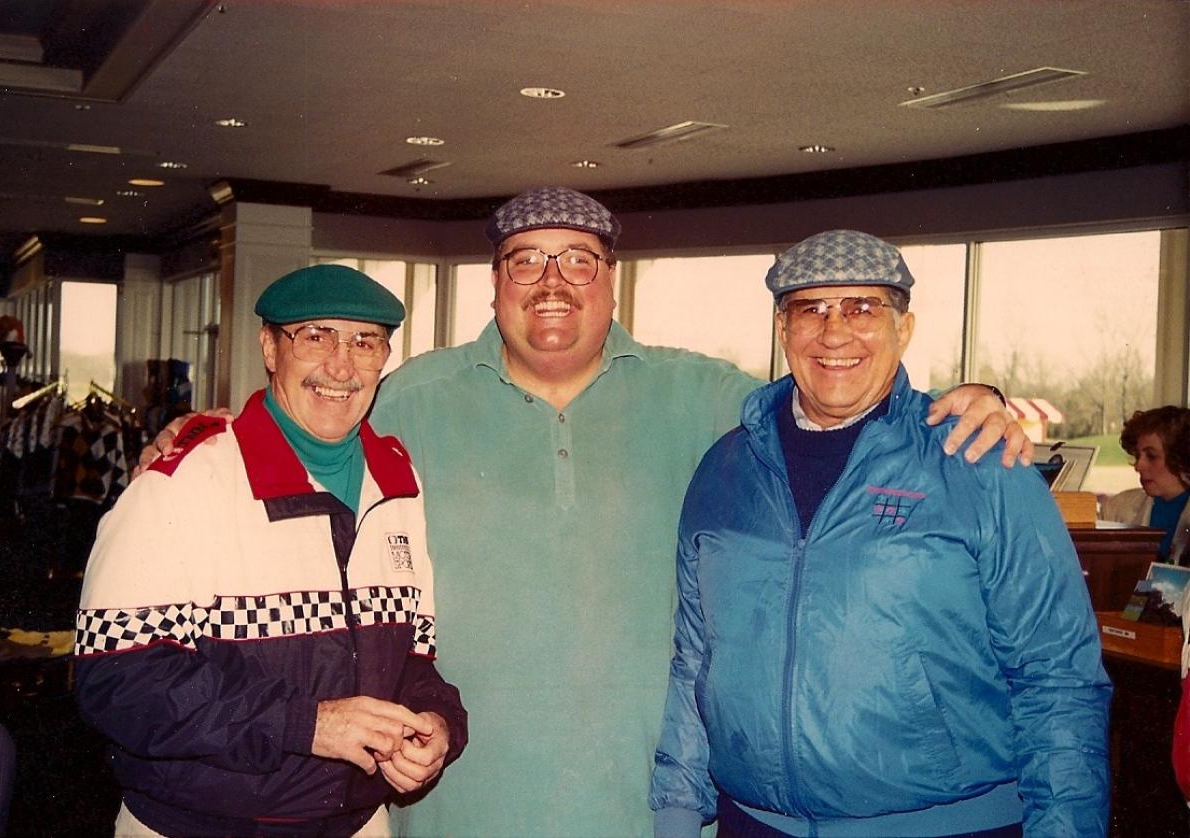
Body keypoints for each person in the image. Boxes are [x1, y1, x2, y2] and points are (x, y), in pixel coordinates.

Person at [145, 188, 1032, 837]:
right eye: (526, 261)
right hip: (453, 800)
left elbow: (837, 398)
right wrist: (206, 429)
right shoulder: (410, 396)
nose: (553, 281)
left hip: (653, 805)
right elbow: (310, 423)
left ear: (612, 281)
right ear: (496, 283)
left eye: (578, 260)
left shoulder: (704, 394)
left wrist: (967, 402)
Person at [649, 230, 1111, 838]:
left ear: (904, 328)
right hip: (754, 825)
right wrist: (678, 813)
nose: (834, 332)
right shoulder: (726, 469)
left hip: (947, 827)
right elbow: (695, 659)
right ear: (783, 330)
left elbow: (1058, 676)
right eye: (810, 309)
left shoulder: (978, 462)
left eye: (862, 308)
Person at [74, 265, 467, 838]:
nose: (341, 366)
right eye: (315, 337)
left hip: (357, 824)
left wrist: (437, 724)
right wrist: (307, 724)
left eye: (365, 342)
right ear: (269, 347)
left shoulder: (399, 483)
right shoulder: (179, 483)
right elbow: (117, 681)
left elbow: (412, 658)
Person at [1099, 406, 1190, 565]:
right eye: (1137, 455)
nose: (1138, 466)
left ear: (1181, 459)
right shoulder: (1115, 509)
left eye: (1151, 456)